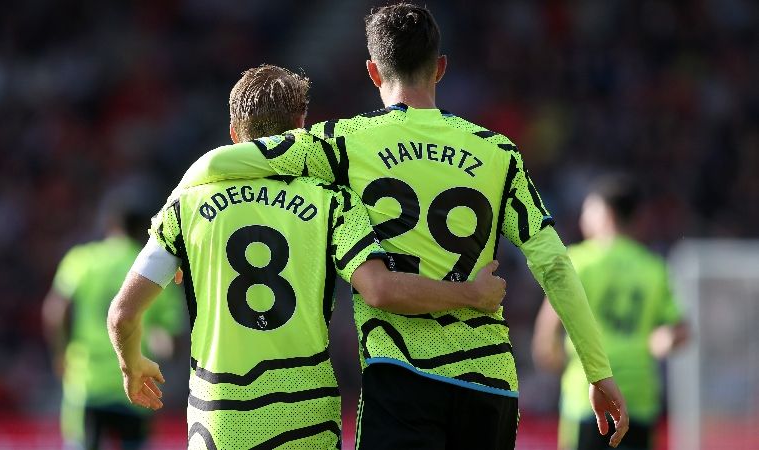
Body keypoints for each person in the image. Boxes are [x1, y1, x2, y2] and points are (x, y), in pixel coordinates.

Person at [164, 4, 630, 449]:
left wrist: (176, 221)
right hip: (490, 383)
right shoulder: (499, 153)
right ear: (441, 67)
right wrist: (597, 371)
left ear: (372, 71)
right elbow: (554, 264)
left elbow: (226, 162)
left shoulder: (344, 142)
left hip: (402, 377)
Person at [107, 64, 508, 449]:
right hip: (307, 412)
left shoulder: (186, 207)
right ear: (301, 129)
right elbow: (379, 288)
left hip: (220, 416)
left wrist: (132, 364)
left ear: (233, 134)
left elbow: (123, 315)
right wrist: (471, 294)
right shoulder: (334, 203)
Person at [532, 175, 688, 450]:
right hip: (639, 396)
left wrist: (555, 361)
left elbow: (547, 334)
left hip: (587, 395)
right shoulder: (654, 268)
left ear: (605, 213)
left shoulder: (578, 261)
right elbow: (679, 331)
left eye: (588, 209)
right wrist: (658, 342)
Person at [42, 197, 183, 450]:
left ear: (109, 224)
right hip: (136, 384)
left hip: (87, 381)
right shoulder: (153, 269)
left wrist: (60, 353)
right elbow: (168, 338)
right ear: (143, 229)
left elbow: (56, 311)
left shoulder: (82, 260)